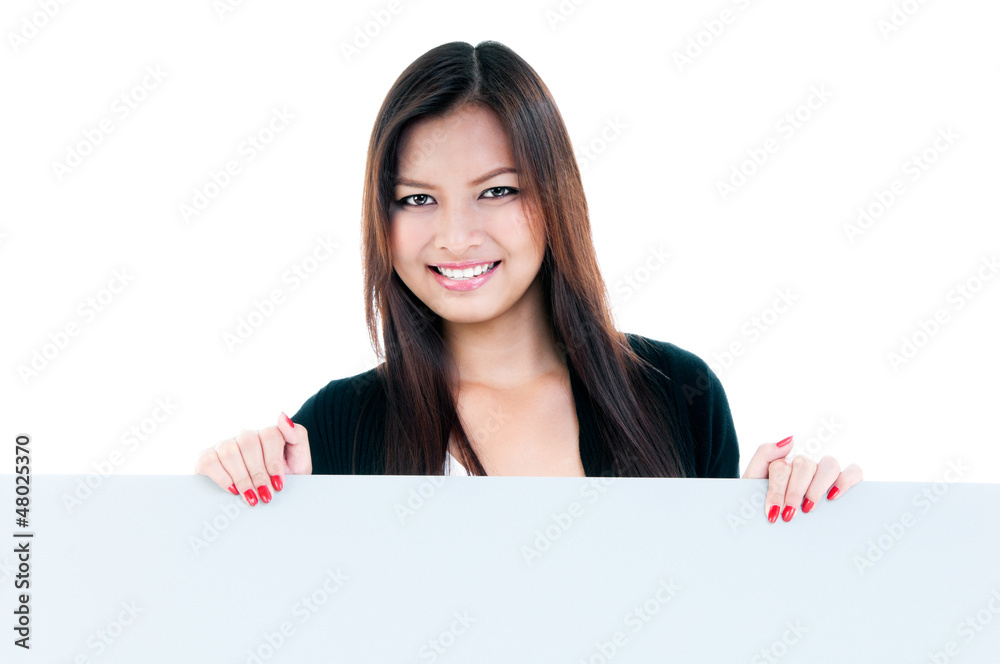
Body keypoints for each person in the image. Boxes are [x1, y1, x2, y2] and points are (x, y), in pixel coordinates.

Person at [194, 40, 862, 523]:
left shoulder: (678, 397)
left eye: (498, 191)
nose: (456, 236)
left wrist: (779, 537)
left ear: (555, 195)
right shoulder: (336, 429)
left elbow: (716, 629)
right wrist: (219, 515)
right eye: (417, 199)